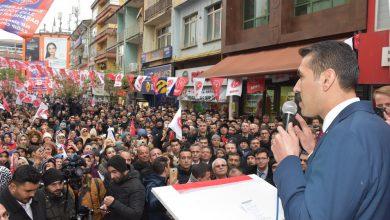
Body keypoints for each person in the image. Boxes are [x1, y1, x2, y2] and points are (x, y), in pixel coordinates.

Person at [271, 41, 390, 219]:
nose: (296, 87)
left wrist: (288, 161)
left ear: (327, 79)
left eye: (302, 77)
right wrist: (314, 152)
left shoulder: (346, 135)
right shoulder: (374, 124)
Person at [101, 155, 145, 220]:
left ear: (122, 169)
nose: (112, 176)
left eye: (114, 172)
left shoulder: (137, 187)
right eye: (110, 172)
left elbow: (136, 215)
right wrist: (105, 205)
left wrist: (113, 203)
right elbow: (110, 198)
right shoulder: (115, 180)